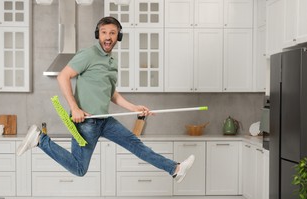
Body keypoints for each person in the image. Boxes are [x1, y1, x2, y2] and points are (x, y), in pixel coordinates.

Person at [17, 16, 195, 183]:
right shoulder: (88, 54)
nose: (108, 37)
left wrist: (133, 108)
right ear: (98, 35)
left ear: (119, 36)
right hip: (86, 122)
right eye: (104, 32)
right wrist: (75, 108)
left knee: (137, 146)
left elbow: (111, 93)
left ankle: (175, 169)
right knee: (79, 168)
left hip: (104, 120)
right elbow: (63, 76)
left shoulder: (112, 61)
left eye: (112, 33)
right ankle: (40, 139)